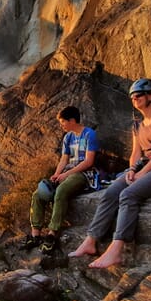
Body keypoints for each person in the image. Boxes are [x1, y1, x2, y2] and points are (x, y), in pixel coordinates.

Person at [69, 79, 151, 267]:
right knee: (111, 193)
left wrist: (143, 173)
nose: (134, 99)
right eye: (132, 97)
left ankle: (117, 249)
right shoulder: (137, 124)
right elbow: (136, 153)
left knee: (129, 194)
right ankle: (90, 241)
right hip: (144, 167)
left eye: (138, 95)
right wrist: (132, 170)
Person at [28, 106, 99, 254]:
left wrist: (66, 175)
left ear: (72, 120)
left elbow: (88, 161)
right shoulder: (68, 137)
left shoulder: (89, 134)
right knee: (39, 193)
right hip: (67, 173)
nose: (61, 125)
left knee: (61, 191)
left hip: (84, 174)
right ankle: (35, 234)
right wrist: (56, 174)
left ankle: (52, 233)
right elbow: (64, 159)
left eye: (63, 122)